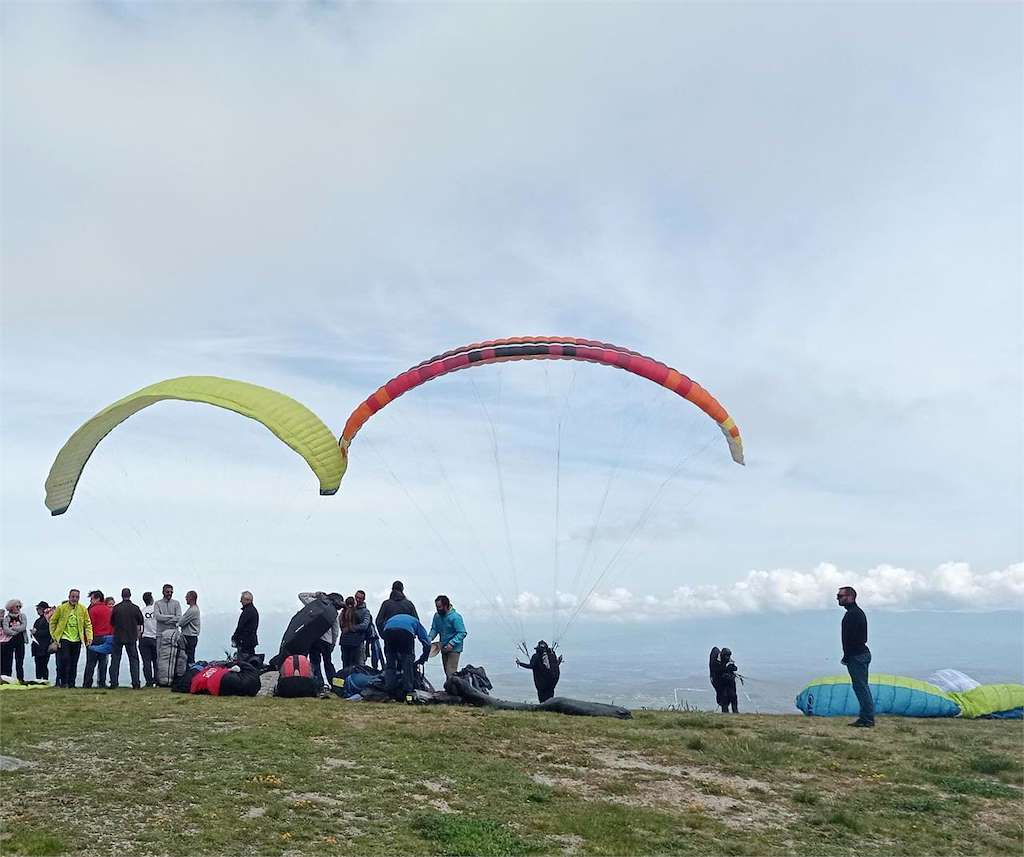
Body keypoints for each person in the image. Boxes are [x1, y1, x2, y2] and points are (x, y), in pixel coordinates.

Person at [837, 586, 874, 727]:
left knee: (861, 687)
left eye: (841, 596)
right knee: (861, 687)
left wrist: (847, 656)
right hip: (860, 654)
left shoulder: (853, 614)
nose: (838, 599)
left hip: (857, 655)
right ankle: (866, 717)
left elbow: (851, 639)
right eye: (838, 596)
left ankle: (867, 719)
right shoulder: (855, 613)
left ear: (850, 597)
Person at [380, 612, 430, 701]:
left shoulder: (393, 618)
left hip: (388, 631)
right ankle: (408, 695)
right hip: (405, 633)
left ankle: (389, 694)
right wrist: (423, 658)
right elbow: (426, 643)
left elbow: (384, 628)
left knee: (390, 666)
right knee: (407, 666)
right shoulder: (416, 621)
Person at [49, 589, 93, 688]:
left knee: (74, 662)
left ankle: (72, 683)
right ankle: (64, 682)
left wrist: (89, 637)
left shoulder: (83, 609)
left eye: (77, 597)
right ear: (69, 597)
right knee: (65, 660)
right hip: (64, 638)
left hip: (77, 639)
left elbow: (87, 624)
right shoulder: (61, 608)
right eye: (73, 597)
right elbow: (53, 622)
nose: (74, 599)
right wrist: (54, 636)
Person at [298, 591, 341, 685]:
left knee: (315, 663)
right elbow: (335, 631)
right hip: (327, 641)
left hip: (314, 638)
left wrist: (316, 594)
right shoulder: (334, 612)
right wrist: (333, 643)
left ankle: (318, 683)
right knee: (328, 663)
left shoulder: (315, 605)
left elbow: (301, 596)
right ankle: (334, 684)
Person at [108, 588, 144, 690]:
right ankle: (136, 683)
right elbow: (141, 621)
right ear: (130, 595)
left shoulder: (116, 608)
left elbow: (112, 622)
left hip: (118, 636)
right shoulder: (135, 608)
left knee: (115, 660)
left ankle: (114, 683)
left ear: (121, 595)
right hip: (131, 636)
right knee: (134, 660)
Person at [428, 595, 467, 678]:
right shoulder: (437, 616)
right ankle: (450, 686)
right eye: (436, 607)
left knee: (451, 672)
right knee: (446, 672)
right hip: (443, 647)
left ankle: (454, 686)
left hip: (454, 648)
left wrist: (452, 643)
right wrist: (429, 638)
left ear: (446, 606)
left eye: (439, 607)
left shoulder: (455, 617)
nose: (437, 609)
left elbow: (462, 632)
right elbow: (434, 629)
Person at [83, 590, 112, 689]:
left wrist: (86, 639)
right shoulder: (108, 610)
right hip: (105, 638)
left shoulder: (92, 610)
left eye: (92, 599)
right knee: (103, 662)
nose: (91, 601)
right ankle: (102, 682)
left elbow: (89, 625)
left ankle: (87, 683)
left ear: (97, 598)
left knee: (91, 662)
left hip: (94, 638)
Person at [338, 596, 370, 669]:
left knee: (345, 664)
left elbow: (341, 625)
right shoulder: (357, 613)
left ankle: (346, 675)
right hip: (356, 641)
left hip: (344, 640)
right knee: (357, 666)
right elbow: (364, 626)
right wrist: (352, 628)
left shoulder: (342, 613)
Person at [1, 599, 29, 682]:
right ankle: (7, 678)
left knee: (19, 660)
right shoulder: (7, 618)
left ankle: (20, 679)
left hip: (20, 640)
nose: (19, 608)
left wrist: (13, 629)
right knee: (8, 661)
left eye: (20, 606)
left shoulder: (22, 616)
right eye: (17, 606)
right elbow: (6, 629)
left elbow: (23, 626)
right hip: (9, 641)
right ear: (11, 607)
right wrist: (15, 632)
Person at [354, 590, 380, 668]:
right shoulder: (349, 608)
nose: (357, 600)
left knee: (360, 663)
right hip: (349, 641)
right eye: (356, 597)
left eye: (360, 598)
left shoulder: (365, 612)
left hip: (360, 640)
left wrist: (351, 628)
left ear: (363, 599)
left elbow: (365, 625)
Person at [231, 591, 259, 659]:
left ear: (247, 600)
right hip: (250, 641)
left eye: (242, 599)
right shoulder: (252, 610)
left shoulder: (248, 611)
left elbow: (240, 627)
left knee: (244, 661)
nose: (240, 601)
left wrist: (234, 637)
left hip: (245, 642)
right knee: (250, 659)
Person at [711, 647, 739, 713]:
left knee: (733, 696)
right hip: (719, 680)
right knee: (724, 697)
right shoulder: (715, 659)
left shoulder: (729, 660)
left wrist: (731, 668)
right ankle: (725, 712)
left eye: (729, 656)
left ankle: (735, 712)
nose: (728, 657)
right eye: (726, 656)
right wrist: (726, 668)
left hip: (729, 679)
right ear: (722, 655)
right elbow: (715, 670)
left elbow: (735, 668)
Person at [30, 602, 53, 682]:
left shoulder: (48, 620)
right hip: (37, 646)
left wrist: (36, 632)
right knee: (38, 665)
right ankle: (38, 680)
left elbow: (48, 632)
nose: (37, 611)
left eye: (38, 609)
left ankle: (45, 680)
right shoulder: (38, 620)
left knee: (43, 665)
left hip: (44, 646)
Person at [139, 592, 158, 688]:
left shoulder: (142, 612)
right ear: (152, 599)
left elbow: (139, 627)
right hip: (155, 638)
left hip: (145, 637)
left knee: (146, 662)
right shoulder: (156, 611)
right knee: (156, 661)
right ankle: (157, 680)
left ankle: (149, 681)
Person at [177, 591, 201, 665]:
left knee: (189, 658)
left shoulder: (192, 610)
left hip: (189, 637)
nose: (185, 598)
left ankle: (190, 670)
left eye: (187, 596)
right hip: (191, 637)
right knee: (189, 657)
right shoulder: (193, 609)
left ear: (191, 598)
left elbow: (181, 622)